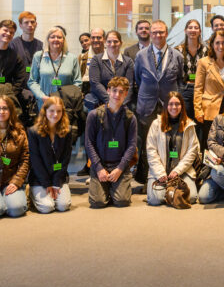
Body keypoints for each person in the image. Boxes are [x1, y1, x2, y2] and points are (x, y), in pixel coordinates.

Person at [134, 20, 184, 184]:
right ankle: (147, 179)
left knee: (169, 143)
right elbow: (137, 79)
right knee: (148, 145)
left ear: (166, 33)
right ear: (150, 34)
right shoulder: (140, 56)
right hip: (147, 106)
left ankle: (169, 177)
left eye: (161, 32)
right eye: (154, 32)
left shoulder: (177, 56)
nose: (157, 35)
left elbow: (181, 80)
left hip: (169, 107)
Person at [85, 76, 137, 208]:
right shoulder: (94, 115)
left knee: (122, 201)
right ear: (108, 91)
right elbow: (89, 143)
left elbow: (131, 146)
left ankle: (114, 188)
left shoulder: (130, 118)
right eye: (114, 90)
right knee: (97, 202)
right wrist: (99, 168)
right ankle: (105, 187)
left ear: (126, 94)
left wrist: (120, 169)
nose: (117, 95)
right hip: (100, 165)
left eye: (121, 92)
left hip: (119, 165)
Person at [146, 91, 200, 206]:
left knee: (192, 198)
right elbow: (151, 151)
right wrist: (160, 173)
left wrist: (177, 171)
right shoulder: (156, 124)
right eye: (170, 104)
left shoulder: (189, 125)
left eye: (177, 104)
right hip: (160, 172)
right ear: (166, 106)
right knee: (155, 200)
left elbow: (192, 152)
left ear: (182, 106)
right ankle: (172, 192)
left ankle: (170, 191)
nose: (174, 107)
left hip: (182, 171)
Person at [193, 29, 224, 150]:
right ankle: (206, 168)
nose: (221, 46)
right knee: (208, 142)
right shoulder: (203, 62)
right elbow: (198, 88)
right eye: (218, 43)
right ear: (212, 44)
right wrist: (198, 110)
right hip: (209, 108)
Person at [28, 97, 73, 213]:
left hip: (59, 176)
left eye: (59, 111)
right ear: (45, 111)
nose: (55, 114)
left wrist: (56, 182)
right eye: (52, 111)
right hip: (39, 177)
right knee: (47, 207)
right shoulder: (33, 132)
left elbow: (65, 159)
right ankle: (31, 193)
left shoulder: (67, 130)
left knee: (63, 206)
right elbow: (35, 161)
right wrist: (47, 183)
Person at [28, 27, 82, 110]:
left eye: (59, 37)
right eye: (52, 37)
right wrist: (42, 97)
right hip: (44, 103)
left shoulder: (72, 58)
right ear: (48, 40)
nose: (56, 39)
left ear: (63, 40)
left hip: (66, 105)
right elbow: (32, 81)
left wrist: (68, 98)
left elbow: (77, 82)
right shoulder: (38, 56)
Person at [87, 29, 133, 110]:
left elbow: (129, 85)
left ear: (121, 43)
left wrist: (120, 103)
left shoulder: (128, 61)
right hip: (100, 101)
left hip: (122, 102)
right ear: (105, 42)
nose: (112, 44)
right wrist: (110, 101)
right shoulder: (96, 59)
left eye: (115, 41)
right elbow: (95, 83)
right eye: (109, 41)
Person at [176, 19, 208, 124]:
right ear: (185, 31)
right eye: (190, 27)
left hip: (201, 90)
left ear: (200, 31)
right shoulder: (177, 50)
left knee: (200, 121)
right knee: (186, 121)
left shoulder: (207, 50)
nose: (193, 30)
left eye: (196, 28)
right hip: (184, 89)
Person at [79, 28, 105, 99]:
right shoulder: (82, 58)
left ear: (104, 39)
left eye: (99, 37)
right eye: (93, 38)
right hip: (88, 92)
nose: (95, 40)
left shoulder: (110, 55)